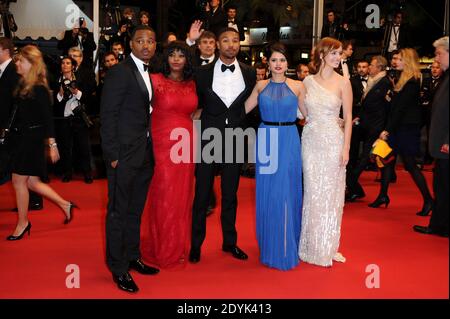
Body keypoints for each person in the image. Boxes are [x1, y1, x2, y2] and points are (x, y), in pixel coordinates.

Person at [100, 25, 160, 293]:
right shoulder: (119, 72)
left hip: (146, 154)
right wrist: (112, 154)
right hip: (122, 155)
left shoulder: (153, 72)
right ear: (131, 44)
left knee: (136, 209)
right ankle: (118, 267)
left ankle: (133, 256)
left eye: (150, 41)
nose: (146, 45)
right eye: (140, 41)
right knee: (118, 212)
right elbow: (108, 115)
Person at [189, 28, 256, 264]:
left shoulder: (249, 73)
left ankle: (230, 242)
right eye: (225, 40)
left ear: (240, 44)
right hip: (207, 135)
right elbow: (193, 99)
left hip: (236, 136)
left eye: (235, 40)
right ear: (217, 44)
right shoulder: (202, 73)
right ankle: (195, 245)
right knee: (202, 193)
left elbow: (250, 104)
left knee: (230, 193)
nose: (231, 44)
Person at [6, 45, 76, 241]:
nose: (17, 63)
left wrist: (52, 145)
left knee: (18, 181)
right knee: (33, 182)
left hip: (31, 141)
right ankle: (65, 205)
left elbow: (47, 119)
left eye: (20, 60)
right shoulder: (23, 84)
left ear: (32, 63)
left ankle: (22, 223)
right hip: (22, 138)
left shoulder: (39, 87)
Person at [245, 43, 304, 270]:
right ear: (267, 64)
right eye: (274, 60)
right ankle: (271, 245)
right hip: (266, 139)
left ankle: (287, 244)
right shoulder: (260, 86)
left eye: (282, 60)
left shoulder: (298, 86)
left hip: (289, 138)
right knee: (269, 192)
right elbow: (243, 109)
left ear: (287, 63)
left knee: (286, 191)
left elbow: (309, 114)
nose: (278, 64)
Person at [140, 41, 198, 268]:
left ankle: (175, 247)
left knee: (181, 197)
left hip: (186, 145)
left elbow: (196, 110)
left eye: (181, 55)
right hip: (161, 144)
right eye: (172, 54)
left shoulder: (193, 83)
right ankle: (159, 247)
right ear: (165, 58)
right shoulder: (154, 80)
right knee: (163, 194)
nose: (176, 59)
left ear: (187, 60)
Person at [299, 37, 353, 267]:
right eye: (333, 53)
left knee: (329, 195)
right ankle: (311, 246)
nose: (338, 57)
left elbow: (349, 117)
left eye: (339, 53)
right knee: (312, 192)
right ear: (321, 55)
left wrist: (346, 147)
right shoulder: (307, 82)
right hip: (311, 141)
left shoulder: (344, 82)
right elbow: (303, 112)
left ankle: (326, 246)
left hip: (333, 142)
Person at [371, 48, 433, 216]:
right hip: (398, 128)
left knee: (410, 165)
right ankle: (383, 195)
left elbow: (400, 110)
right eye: (394, 58)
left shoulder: (411, 82)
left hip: (406, 129)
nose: (394, 61)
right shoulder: (401, 81)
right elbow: (394, 108)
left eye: (398, 59)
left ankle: (428, 200)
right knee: (386, 161)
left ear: (407, 61)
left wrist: (386, 130)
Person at [414, 36, 449, 237]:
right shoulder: (445, 76)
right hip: (441, 144)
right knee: (441, 185)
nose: (436, 58)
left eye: (439, 54)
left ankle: (439, 226)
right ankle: (440, 225)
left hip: (446, 145)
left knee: (443, 187)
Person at [346, 56, 391, 202]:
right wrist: (359, 117)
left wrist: (384, 129)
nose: (369, 68)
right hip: (365, 123)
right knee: (362, 156)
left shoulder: (384, 82)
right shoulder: (374, 81)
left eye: (371, 65)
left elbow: (385, 107)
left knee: (366, 157)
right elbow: (366, 104)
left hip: (376, 126)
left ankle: (352, 184)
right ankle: (355, 188)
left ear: (379, 68)